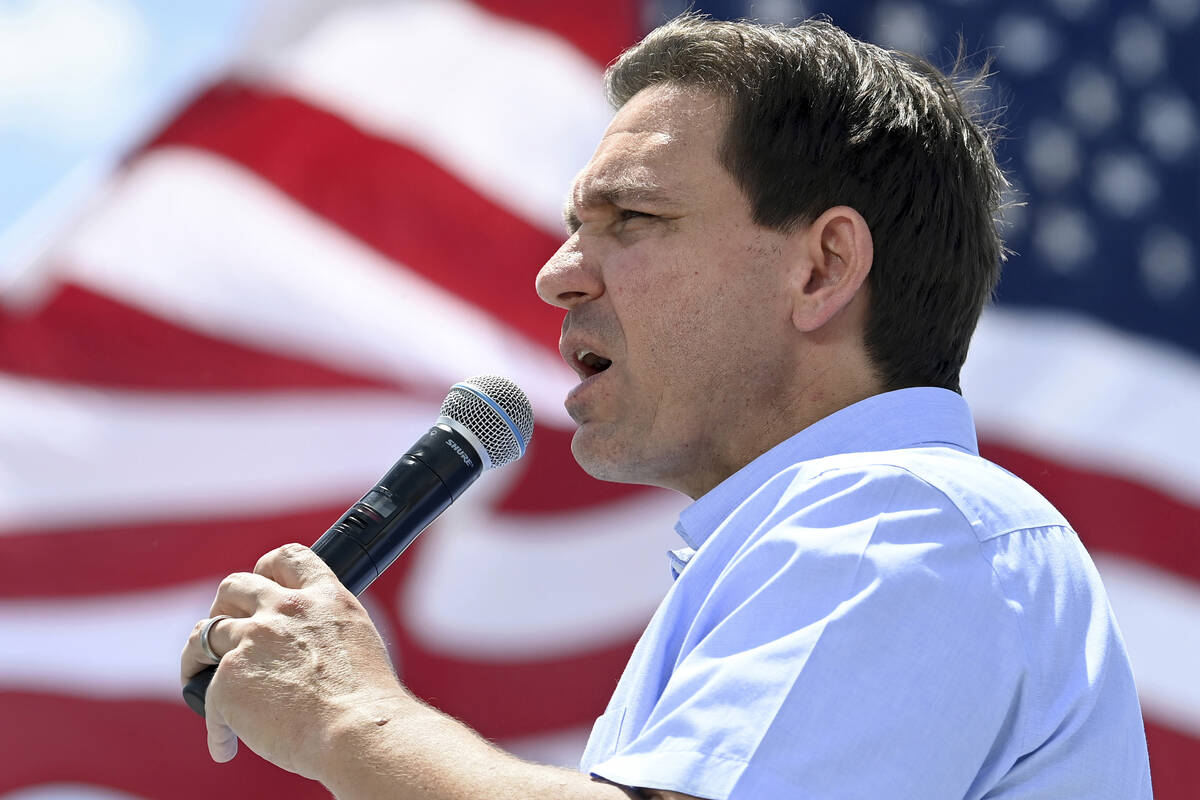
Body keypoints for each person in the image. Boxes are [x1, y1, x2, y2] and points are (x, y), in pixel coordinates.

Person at [181, 14, 1153, 799]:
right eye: (575, 226)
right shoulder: (869, 534)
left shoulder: (902, 518)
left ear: (822, 266)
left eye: (632, 217)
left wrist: (350, 716)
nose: (559, 273)